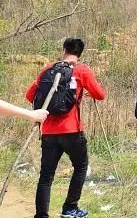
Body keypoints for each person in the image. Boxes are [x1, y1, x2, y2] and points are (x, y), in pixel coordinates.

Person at [26, 37, 106, 218]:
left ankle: (41, 215)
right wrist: (82, 91)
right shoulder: (82, 70)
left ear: (63, 50)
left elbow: (30, 95)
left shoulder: (48, 69)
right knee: (81, 166)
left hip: (48, 131)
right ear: (80, 53)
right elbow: (100, 95)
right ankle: (70, 208)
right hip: (72, 131)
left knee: (46, 176)